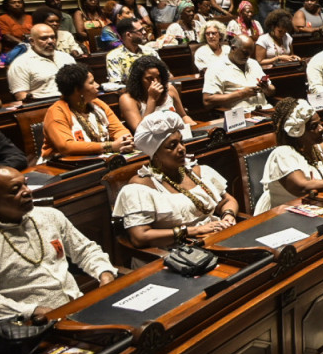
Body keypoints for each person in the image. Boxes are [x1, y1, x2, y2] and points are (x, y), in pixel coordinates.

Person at [0, 165, 115, 326]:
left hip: (79, 308)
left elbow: (85, 250)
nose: (27, 191)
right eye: (15, 190)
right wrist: (33, 310)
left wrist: (105, 273)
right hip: (34, 326)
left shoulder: (49, 216)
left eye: (24, 184)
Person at [113, 112, 238, 251]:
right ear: (155, 154)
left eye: (181, 142)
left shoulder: (197, 171)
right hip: (175, 254)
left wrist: (228, 215)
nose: (182, 149)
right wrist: (193, 231)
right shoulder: (139, 187)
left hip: (214, 240)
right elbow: (140, 237)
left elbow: (227, 201)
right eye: (172, 145)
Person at [41, 63, 133, 163]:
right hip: (63, 165)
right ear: (77, 90)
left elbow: (118, 129)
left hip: (99, 159)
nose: (97, 85)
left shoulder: (98, 104)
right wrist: (110, 146)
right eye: (92, 82)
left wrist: (125, 140)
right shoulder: (56, 111)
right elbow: (66, 146)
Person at [118, 56, 196, 136]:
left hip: (176, 136)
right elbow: (140, 130)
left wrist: (195, 128)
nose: (156, 82)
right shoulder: (127, 99)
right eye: (149, 78)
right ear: (139, 80)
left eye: (158, 77)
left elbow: (183, 116)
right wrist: (152, 99)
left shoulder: (170, 89)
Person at [203, 35, 275, 111]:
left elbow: (272, 90)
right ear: (233, 48)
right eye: (245, 53)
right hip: (239, 116)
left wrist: (267, 88)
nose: (247, 57)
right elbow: (207, 101)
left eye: (250, 53)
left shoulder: (253, 63)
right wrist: (241, 94)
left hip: (264, 110)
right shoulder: (215, 67)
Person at [6, 23, 75, 101]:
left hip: (72, 101)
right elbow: (21, 96)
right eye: (44, 38)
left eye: (53, 37)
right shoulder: (21, 63)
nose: (50, 41)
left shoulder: (66, 57)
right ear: (32, 41)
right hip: (43, 105)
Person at [105, 17, 154, 84]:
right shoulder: (113, 56)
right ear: (129, 35)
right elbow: (116, 85)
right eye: (140, 31)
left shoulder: (150, 51)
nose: (144, 32)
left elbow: (166, 74)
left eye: (143, 29)